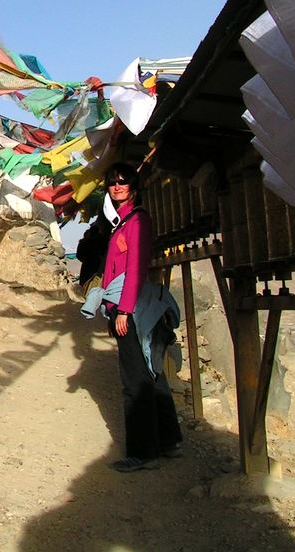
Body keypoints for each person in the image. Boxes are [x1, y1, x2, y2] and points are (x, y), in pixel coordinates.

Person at [99, 161, 183, 472]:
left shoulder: (136, 222)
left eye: (123, 182)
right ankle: (169, 441)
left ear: (134, 186)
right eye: (113, 183)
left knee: (135, 379)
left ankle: (143, 452)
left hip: (131, 309)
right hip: (125, 306)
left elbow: (135, 267)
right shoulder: (121, 222)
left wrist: (123, 309)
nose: (117, 187)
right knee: (151, 374)